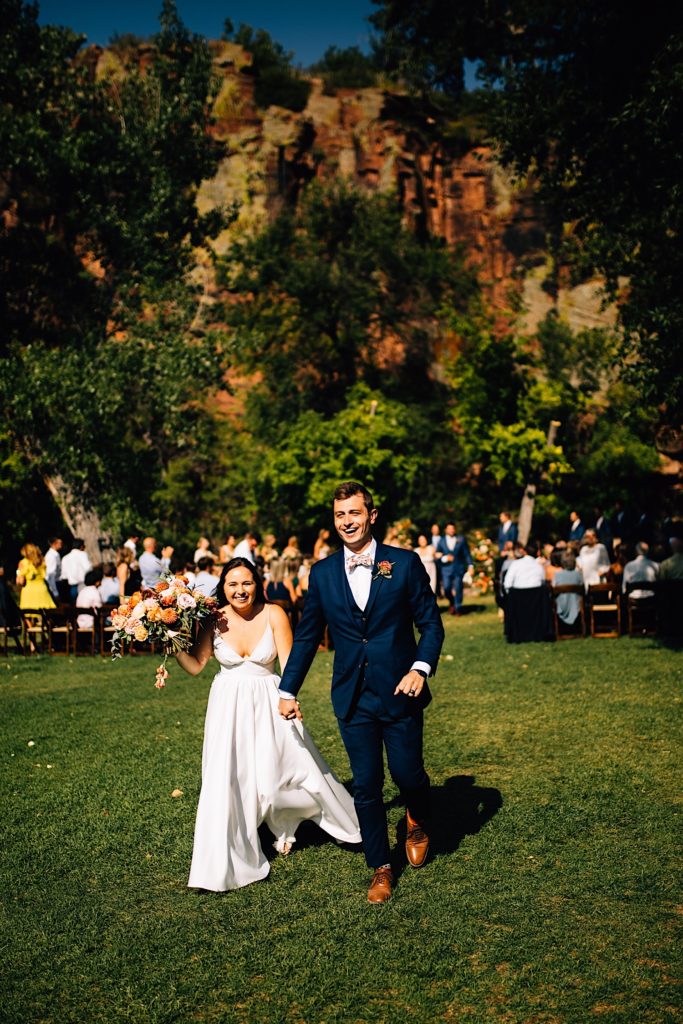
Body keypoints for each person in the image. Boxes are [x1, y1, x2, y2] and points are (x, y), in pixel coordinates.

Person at [278, 481, 444, 904]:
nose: (347, 521)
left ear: (371, 515)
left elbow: (431, 624)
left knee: (408, 775)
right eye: (339, 515)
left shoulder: (404, 564)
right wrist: (288, 688)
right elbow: (307, 636)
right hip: (352, 696)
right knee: (367, 786)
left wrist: (419, 669)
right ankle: (381, 868)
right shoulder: (323, 573)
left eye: (354, 513)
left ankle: (417, 815)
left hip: (401, 690)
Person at [174, 557, 361, 892]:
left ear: (257, 583)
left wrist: (291, 698)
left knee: (287, 771)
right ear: (223, 587)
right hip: (227, 704)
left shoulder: (274, 613)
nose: (239, 590)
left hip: (269, 697)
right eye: (232, 584)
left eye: (246, 583)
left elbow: (290, 663)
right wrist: (170, 641)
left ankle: (292, 823)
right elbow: (195, 666)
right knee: (228, 777)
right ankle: (225, 855)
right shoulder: (213, 618)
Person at [435, 522, 473, 615]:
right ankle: (452, 602)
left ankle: (458, 608)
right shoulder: (441, 541)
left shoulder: (461, 539)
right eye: (449, 528)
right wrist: (445, 558)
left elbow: (467, 554)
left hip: (458, 568)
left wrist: (470, 565)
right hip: (446, 569)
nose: (451, 530)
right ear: (446, 530)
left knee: (458, 588)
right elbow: (437, 555)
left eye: (453, 528)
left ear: (455, 530)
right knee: (447, 588)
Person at [16, 544, 56, 610]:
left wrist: (18, 576)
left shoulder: (23, 562)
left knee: (29, 615)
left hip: (29, 591)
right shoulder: (41, 561)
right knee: (47, 614)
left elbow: (21, 582)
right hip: (43, 590)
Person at [552, 551, 584, 626]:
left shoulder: (557, 575)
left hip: (561, 605)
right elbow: (583, 589)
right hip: (576, 605)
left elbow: (553, 589)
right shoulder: (578, 574)